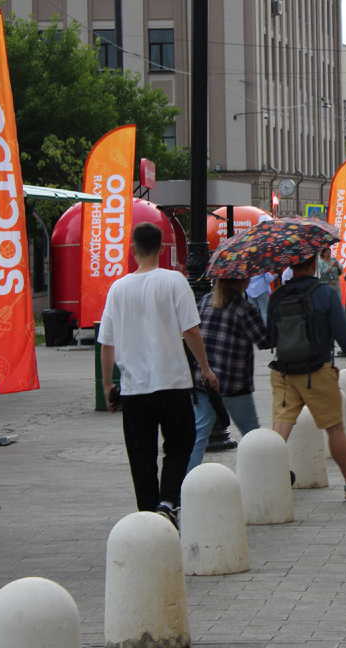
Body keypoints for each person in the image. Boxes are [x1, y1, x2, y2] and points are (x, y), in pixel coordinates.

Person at [99, 223, 218, 526]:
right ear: (163, 249)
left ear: (132, 250)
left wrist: (107, 385)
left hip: (133, 387)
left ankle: (148, 516)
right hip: (173, 381)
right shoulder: (175, 281)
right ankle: (168, 501)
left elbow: (107, 343)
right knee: (180, 443)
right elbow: (191, 330)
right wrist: (204, 368)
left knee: (140, 455)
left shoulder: (118, 288)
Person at [266, 252, 346, 499]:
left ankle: (268, 476)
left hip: (284, 373)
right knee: (334, 428)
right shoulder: (325, 293)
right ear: (314, 263)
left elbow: (269, 338)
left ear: (290, 264)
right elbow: (345, 335)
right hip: (316, 371)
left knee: (280, 428)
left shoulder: (277, 296)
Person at [186, 276, 270, 474]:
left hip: (204, 381)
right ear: (243, 281)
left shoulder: (206, 301)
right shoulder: (245, 309)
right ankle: (270, 473)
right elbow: (264, 341)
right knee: (252, 434)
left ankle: (183, 484)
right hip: (234, 383)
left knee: (198, 436)